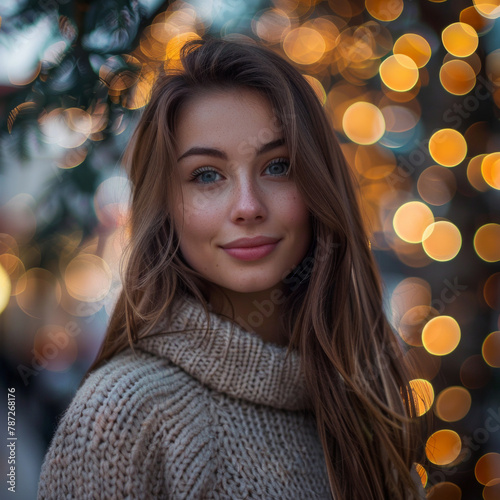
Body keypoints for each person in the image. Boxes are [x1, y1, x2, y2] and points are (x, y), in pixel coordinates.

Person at [37, 36, 427, 499]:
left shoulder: (359, 401)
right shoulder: (120, 416)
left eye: (278, 166)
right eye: (207, 175)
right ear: (167, 207)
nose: (247, 207)